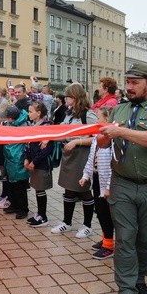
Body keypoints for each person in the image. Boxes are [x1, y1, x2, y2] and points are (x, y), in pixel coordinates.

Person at [98, 63, 147, 294]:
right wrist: (101, 135)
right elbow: (104, 143)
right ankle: (127, 289)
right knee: (125, 238)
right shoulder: (119, 109)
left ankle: (140, 279)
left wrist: (121, 133)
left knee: (145, 239)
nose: (128, 87)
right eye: (128, 82)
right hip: (122, 183)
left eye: (135, 83)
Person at [51, 83, 97, 238]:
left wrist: (77, 142)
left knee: (84, 190)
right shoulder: (69, 114)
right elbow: (63, 131)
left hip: (82, 154)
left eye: (68, 96)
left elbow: (98, 139)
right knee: (68, 188)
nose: (65, 98)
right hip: (69, 154)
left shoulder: (88, 115)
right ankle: (67, 222)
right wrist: (48, 136)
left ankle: (87, 225)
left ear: (76, 97)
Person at [79, 107, 115, 260]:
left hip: (107, 182)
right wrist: (85, 175)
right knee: (100, 212)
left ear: (107, 119)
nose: (96, 119)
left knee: (107, 214)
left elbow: (115, 165)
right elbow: (91, 159)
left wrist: (108, 187)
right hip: (96, 179)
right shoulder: (96, 137)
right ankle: (106, 238)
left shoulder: (113, 139)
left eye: (98, 116)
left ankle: (109, 246)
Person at [24, 101, 54, 227]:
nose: (28, 114)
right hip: (33, 163)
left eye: (31, 111)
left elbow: (46, 150)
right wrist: (26, 158)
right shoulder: (33, 125)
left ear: (39, 113)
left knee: (41, 189)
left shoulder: (47, 127)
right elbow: (28, 143)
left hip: (41, 164)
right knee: (37, 188)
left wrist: (34, 161)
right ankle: (39, 213)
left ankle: (43, 217)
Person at [1, 106, 30, 219]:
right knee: (11, 183)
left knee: (20, 185)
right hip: (9, 157)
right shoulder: (10, 124)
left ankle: (23, 209)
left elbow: (27, 142)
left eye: (8, 118)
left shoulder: (24, 125)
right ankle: (13, 204)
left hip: (18, 158)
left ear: (12, 118)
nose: (6, 120)